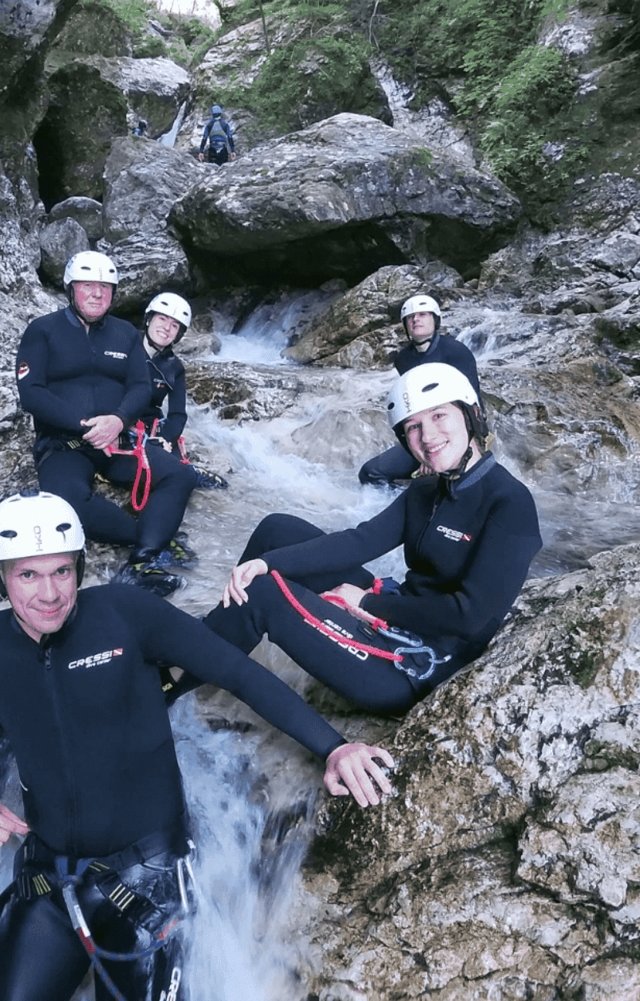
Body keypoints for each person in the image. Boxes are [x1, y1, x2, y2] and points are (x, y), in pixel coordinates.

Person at [0, 491, 395, 1001]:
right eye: (27, 575)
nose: (50, 592)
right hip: (49, 882)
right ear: (0, 577)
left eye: (61, 571)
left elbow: (238, 673)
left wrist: (334, 747)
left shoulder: (125, 614)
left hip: (148, 884)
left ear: (79, 567)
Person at [198, 364, 541, 715]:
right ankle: (202, 643)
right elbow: (361, 541)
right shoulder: (426, 489)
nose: (428, 436)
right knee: (277, 531)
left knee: (264, 595)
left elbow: (469, 616)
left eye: (439, 416)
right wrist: (267, 562)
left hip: (416, 668)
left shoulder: (510, 503)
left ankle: (179, 674)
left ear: (470, 416)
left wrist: (365, 603)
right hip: (396, 617)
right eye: (414, 427)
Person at [16, 251, 196, 596]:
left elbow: (141, 387)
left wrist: (117, 419)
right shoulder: (42, 331)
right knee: (64, 501)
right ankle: (151, 535)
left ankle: (142, 561)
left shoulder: (125, 334)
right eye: (88, 285)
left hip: (118, 440)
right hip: (65, 442)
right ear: (71, 288)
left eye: (105, 287)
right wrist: (83, 425)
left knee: (180, 474)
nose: (97, 293)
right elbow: (32, 394)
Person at [358, 294, 483, 486]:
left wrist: (437, 454)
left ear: (435, 320)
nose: (415, 320)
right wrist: (422, 452)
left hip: (459, 431)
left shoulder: (456, 352)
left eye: (423, 314)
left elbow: (472, 405)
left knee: (447, 476)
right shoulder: (403, 359)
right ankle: (405, 501)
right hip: (424, 433)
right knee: (370, 473)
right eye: (410, 317)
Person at [136, 292, 227, 492]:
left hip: (149, 426)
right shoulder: (123, 344)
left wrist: (165, 439)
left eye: (174, 325)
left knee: (176, 475)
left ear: (178, 334)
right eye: (162, 319)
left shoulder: (174, 367)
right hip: (119, 420)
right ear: (149, 319)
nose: (166, 328)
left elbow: (177, 415)